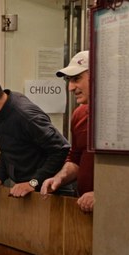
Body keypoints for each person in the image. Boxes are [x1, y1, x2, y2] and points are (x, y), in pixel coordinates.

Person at [0, 74, 70, 198]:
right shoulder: (1, 110)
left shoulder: (25, 116)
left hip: (49, 192)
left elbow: (61, 149)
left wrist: (33, 182)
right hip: (27, 190)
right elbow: (8, 148)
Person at [41, 51, 94, 213]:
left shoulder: (126, 116)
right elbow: (76, 158)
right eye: (69, 80)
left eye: (76, 79)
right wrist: (59, 178)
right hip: (84, 209)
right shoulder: (79, 114)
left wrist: (105, 195)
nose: (70, 87)